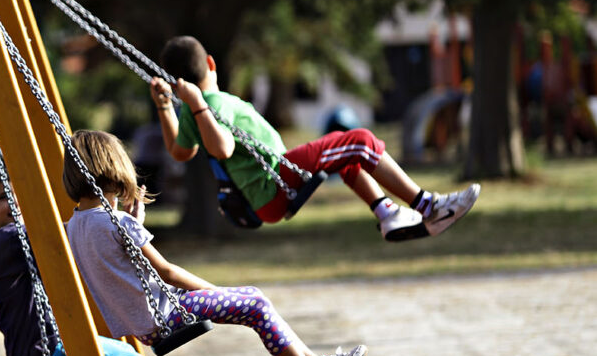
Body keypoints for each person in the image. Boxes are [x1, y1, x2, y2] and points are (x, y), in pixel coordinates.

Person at [61, 130, 374, 356]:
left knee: (255, 298)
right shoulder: (119, 223)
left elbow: (112, 256)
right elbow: (166, 272)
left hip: (142, 322)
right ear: (113, 167)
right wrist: (215, 291)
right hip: (167, 313)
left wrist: (132, 223)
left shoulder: (74, 226)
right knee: (255, 303)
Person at [150, 35, 481, 241]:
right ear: (211, 63)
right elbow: (221, 148)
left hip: (270, 190)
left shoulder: (196, 112)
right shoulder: (211, 105)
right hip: (274, 182)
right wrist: (194, 104)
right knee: (360, 140)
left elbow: (179, 152)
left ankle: (387, 213)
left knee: (346, 153)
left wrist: (165, 107)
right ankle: (428, 205)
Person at [0, 161, 159, 356]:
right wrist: (125, 224)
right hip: (44, 349)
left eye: (19, 194)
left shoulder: (7, 238)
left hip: (40, 348)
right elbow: (78, 233)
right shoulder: (9, 239)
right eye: (4, 197)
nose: (15, 202)